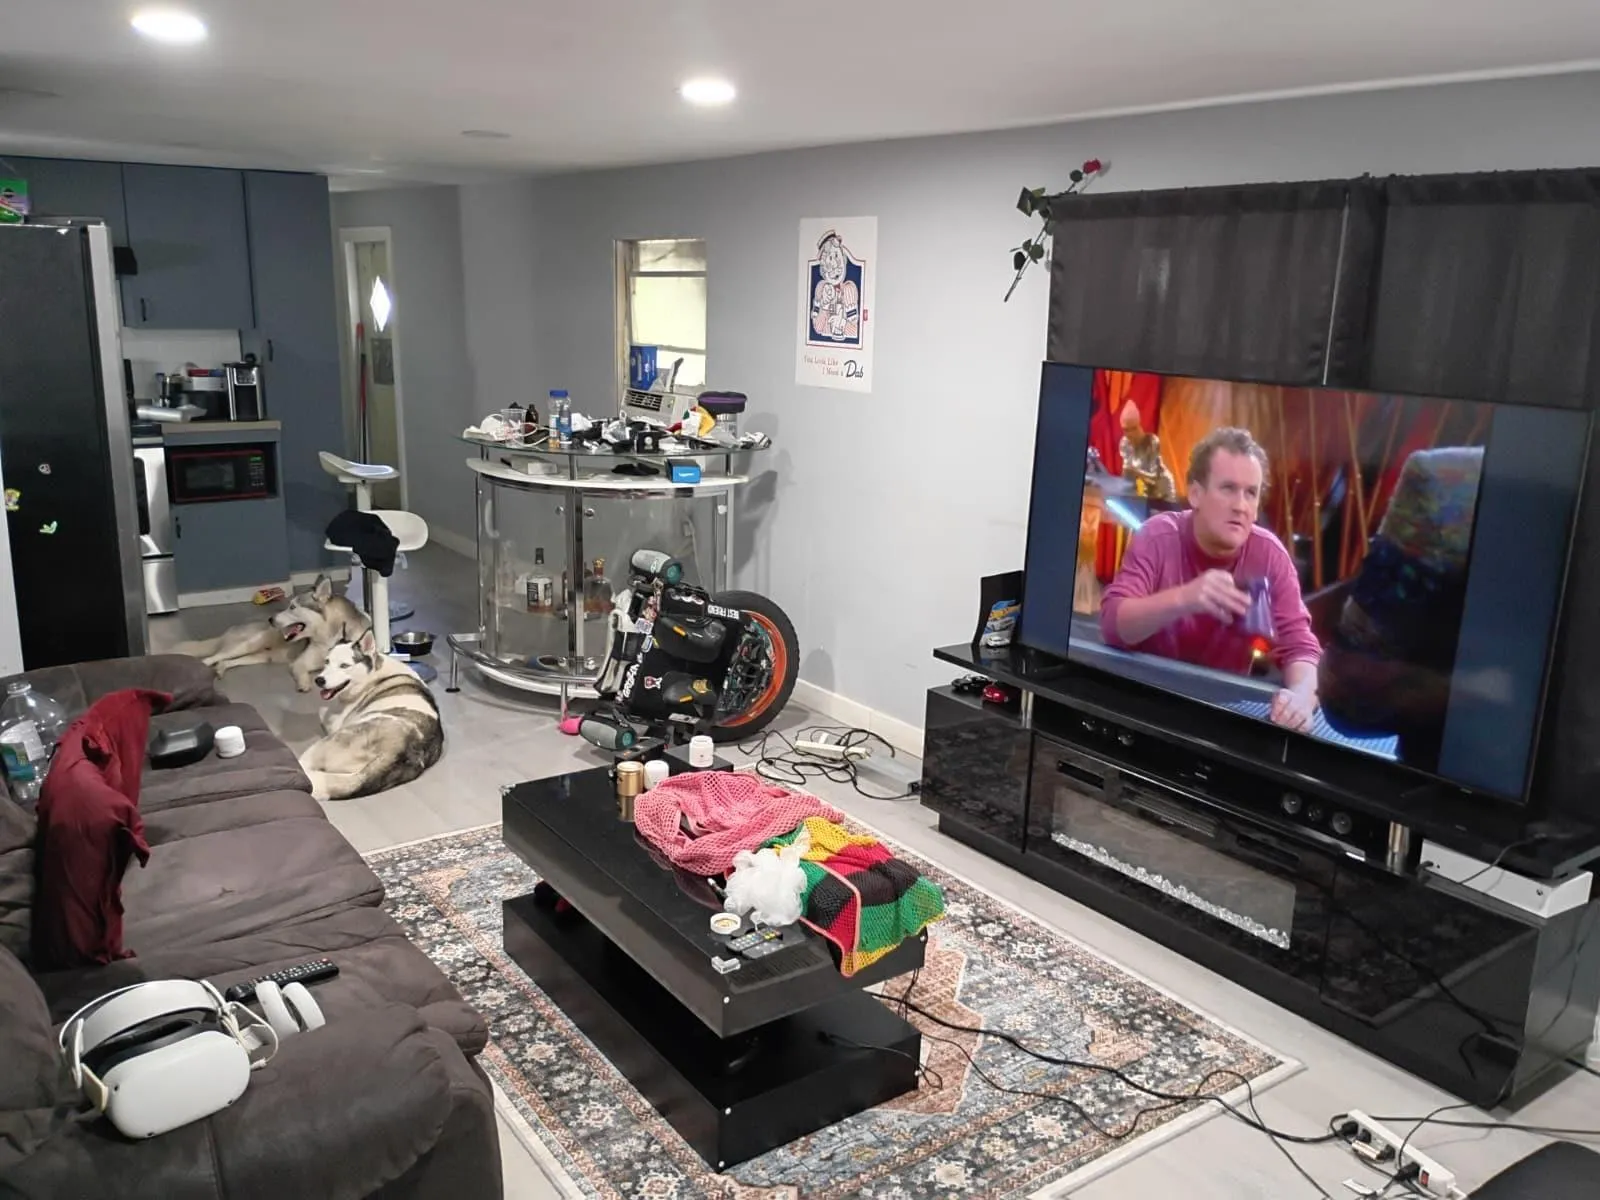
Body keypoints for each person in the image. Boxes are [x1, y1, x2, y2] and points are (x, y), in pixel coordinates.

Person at [1099, 427, 1322, 732]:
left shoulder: (1270, 555)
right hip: (1144, 704)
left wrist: (1301, 699)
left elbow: (1301, 648)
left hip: (1222, 717)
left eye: (1251, 493)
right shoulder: (1158, 536)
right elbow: (1113, 626)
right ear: (1196, 494)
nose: (1240, 505)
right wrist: (1185, 597)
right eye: (1228, 488)